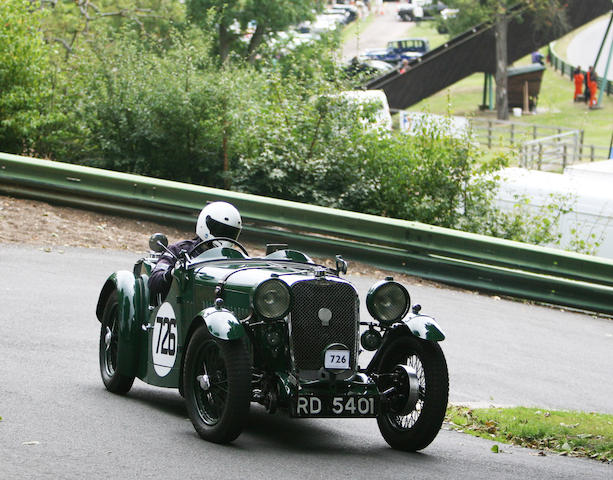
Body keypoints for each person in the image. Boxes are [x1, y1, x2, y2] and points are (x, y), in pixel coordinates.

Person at [148, 201, 242, 300]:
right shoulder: (179, 250)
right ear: (205, 225)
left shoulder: (235, 259)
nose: (226, 237)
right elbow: (154, 281)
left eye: (231, 233)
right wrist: (172, 273)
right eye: (222, 231)